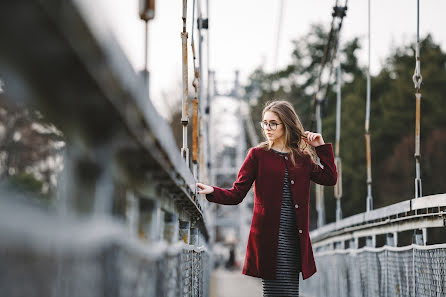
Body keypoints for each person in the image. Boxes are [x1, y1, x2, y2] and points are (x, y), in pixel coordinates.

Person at [196, 100, 337, 297]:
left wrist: (320, 147)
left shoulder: (302, 158)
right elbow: (237, 194)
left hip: (295, 240)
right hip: (270, 239)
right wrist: (212, 191)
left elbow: (330, 178)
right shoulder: (257, 155)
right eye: (264, 123)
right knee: (274, 293)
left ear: (286, 124)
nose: (267, 128)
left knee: (289, 293)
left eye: (273, 123)